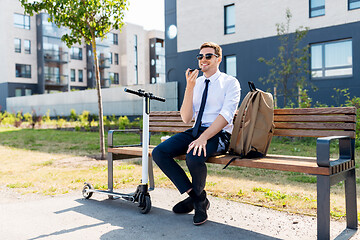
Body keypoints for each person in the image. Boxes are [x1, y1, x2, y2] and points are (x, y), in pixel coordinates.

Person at [152, 42, 241, 225]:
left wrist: (203, 137)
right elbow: (186, 118)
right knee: (159, 152)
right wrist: (189, 87)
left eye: (208, 56)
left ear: (218, 58)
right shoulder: (197, 83)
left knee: (194, 156)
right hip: (196, 131)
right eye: (200, 57)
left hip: (219, 133)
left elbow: (226, 116)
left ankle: (197, 204)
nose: (203, 60)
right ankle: (197, 198)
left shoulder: (230, 83)